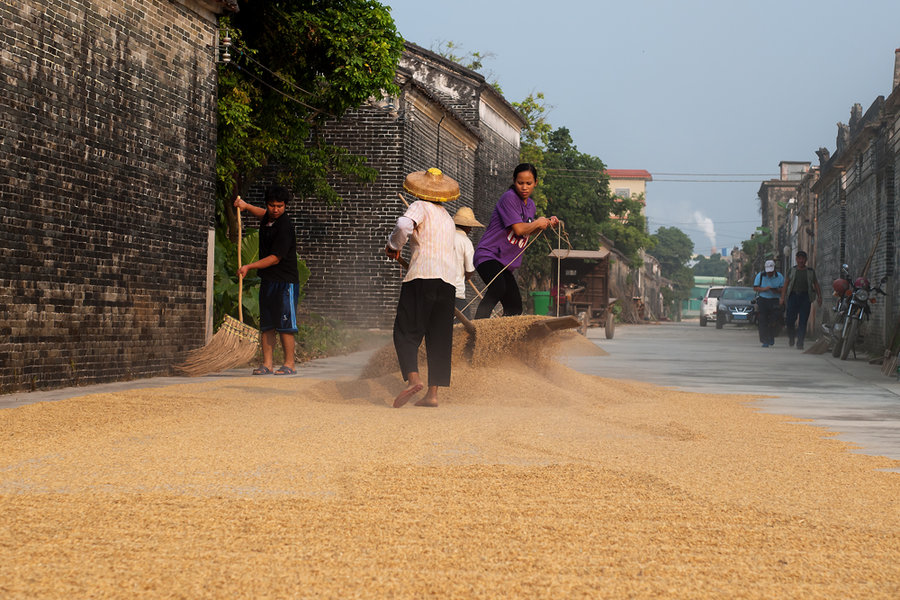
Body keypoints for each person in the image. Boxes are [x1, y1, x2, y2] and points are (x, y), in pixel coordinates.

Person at [385, 168, 458, 408]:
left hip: (422, 276)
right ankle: (432, 395)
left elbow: (404, 225)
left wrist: (394, 244)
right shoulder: (447, 217)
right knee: (438, 338)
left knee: (405, 331)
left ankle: (413, 380)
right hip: (447, 282)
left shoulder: (419, 206)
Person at [473, 163, 559, 319]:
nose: (524, 187)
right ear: (514, 181)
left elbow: (528, 231)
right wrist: (538, 223)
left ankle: (503, 339)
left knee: (515, 307)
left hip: (504, 263)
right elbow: (519, 229)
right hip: (489, 256)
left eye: (529, 183)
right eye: (520, 183)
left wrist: (545, 224)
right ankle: (478, 329)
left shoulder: (531, 205)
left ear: (536, 183)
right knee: (498, 288)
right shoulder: (509, 198)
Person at [235, 186, 300, 375]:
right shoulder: (268, 219)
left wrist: (249, 266)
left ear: (285, 206)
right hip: (268, 281)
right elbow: (262, 213)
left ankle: (289, 364)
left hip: (285, 282)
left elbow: (275, 258)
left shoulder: (285, 226)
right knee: (267, 324)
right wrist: (245, 206)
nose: (275, 209)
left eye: (280, 206)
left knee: (285, 325)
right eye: (272, 205)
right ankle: (267, 364)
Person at [780, 250, 823, 351]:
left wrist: (819, 296)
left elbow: (816, 284)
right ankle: (791, 337)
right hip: (793, 297)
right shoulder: (792, 270)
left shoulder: (810, 272)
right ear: (796, 259)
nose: (801, 260)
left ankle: (800, 342)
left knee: (803, 321)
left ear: (806, 260)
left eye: (803, 258)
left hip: (805, 297)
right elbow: (786, 284)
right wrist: (782, 298)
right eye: (799, 258)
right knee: (790, 320)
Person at [451, 206, 484, 319]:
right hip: (456, 293)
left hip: (438, 290)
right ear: (468, 226)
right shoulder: (465, 242)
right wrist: (466, 277)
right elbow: (470, 270)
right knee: (461, 328)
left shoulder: (442, 236)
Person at [753, 259, 784, 348]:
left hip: (774, 300)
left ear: (774, 269)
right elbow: (755, 288)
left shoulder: (780, 277)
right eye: (768, 272)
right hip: (763, 300)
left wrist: (777, 291)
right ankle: (764, 340)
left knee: (773, 320)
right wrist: (765, 289)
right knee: (763, 320)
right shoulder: (761, 276)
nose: (769, 274)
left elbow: (783, 289)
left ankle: (771, 336)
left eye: (771, 272)